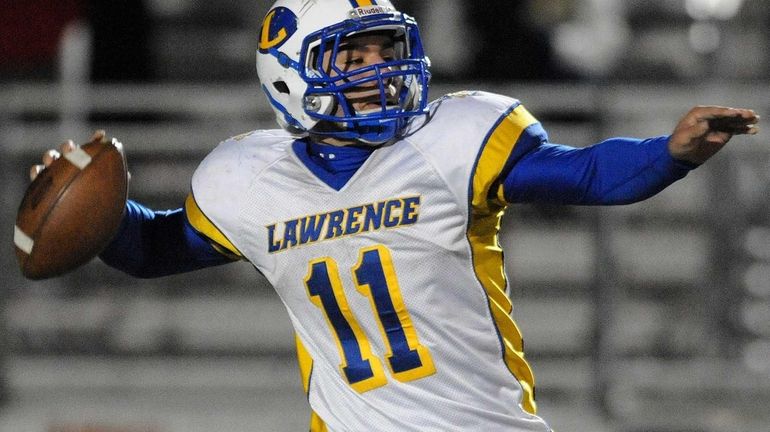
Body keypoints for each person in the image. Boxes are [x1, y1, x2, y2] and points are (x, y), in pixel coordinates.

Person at [30, 0, 759, 430]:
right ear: (292, 71)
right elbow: (152, 251)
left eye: (387, 48)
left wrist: (672, 151)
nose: (379, 69)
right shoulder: (247, 177)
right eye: (353, 56)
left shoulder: (452, 138)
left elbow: (592, 175)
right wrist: (86, 206)